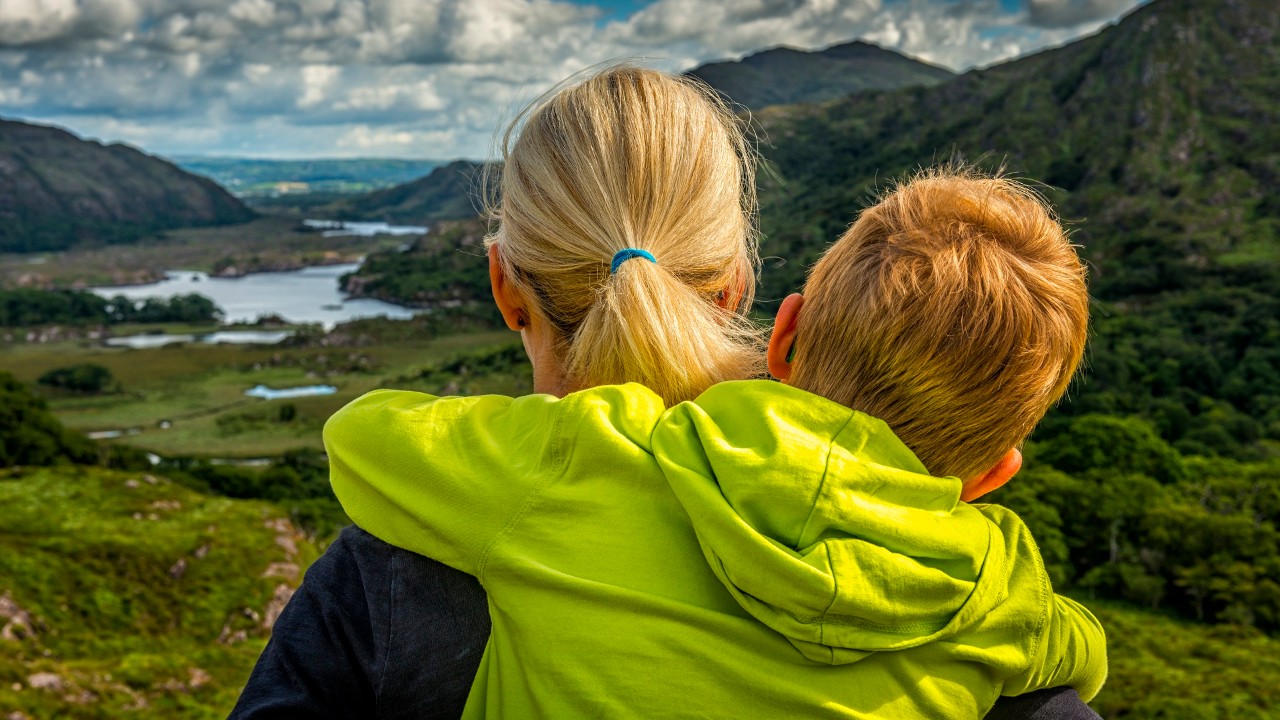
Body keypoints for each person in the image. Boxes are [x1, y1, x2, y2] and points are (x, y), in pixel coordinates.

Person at [320, 159, 1107, 717]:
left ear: (785, 333)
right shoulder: (997, 593)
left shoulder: (598, 453)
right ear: (996, 472)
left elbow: (361, 437)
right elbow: (1082, 653)